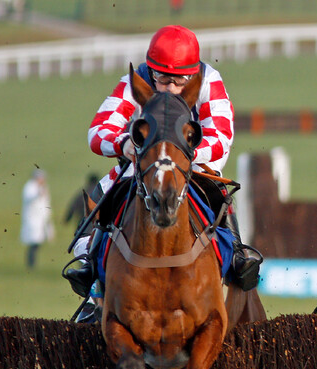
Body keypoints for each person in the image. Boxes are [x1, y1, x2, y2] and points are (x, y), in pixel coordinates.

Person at [63, 25, 262, 321]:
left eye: (177, 81)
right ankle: (91, 272)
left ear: (192, 75)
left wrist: (183, 155)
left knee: (219, 194)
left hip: (194, 166)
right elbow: (98, 130)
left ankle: (237, 256)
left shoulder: (209, 82)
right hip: (146, 164)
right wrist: (125, 143)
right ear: (151, 71)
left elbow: (221, 137)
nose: (168, 89)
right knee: (103, 193)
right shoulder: (139, 79)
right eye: (162, 80)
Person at [20, 169, 54, 269]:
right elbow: (29, 198)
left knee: (37, 241)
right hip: (32, 218)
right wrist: (39, 193)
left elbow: (46, 203)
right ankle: (31, 264)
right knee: (33, 241)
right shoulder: (30, 186)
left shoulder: (43, 187)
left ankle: (32, 264)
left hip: (41, 219)